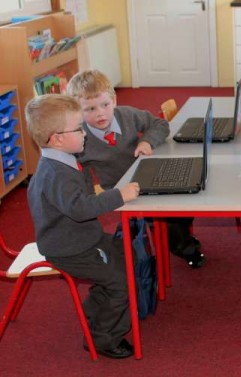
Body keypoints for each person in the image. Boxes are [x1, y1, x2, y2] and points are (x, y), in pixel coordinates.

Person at [26, 94, 140, 358]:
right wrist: (118, 196)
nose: (85, 134)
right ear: (57, 139)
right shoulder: (57, 173)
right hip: (70, 248)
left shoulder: (64, 159)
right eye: (79, 129)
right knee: (121, 282)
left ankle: (94, 313)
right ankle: (102, 338)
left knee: (126, 255)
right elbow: (79, 209)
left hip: (84, 238)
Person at [67, 69, 204, 268]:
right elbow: (83, 174)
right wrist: (92, 202)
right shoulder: (80, 139)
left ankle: (175, 233)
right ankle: (185, 247)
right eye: (90, 109)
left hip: (150, 173)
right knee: (169, 212)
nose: (100, 114)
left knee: (187, 191)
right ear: (78, 111)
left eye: (105, 105)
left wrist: (147, 142)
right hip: (122, 189)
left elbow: (160, 124)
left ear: (114, 100)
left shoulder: (127, 115)